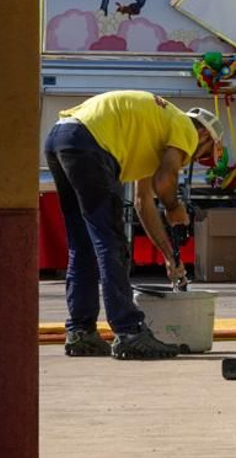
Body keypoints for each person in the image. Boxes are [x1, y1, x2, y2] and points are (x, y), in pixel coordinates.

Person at [44, 91, 221, 360]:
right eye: (203, 154)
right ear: (205, 136)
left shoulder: (154, 133)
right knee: (110, 243)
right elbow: (165, 181)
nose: (190, 159)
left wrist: (168, 257)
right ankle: (129, 332)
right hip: (91, 143)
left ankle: (81, 332)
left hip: (61, 138)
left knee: (83, 244)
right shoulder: (186, 128)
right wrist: (175, 208)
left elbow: (143, 204)